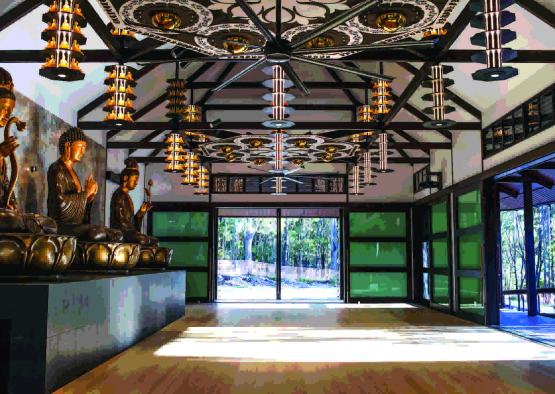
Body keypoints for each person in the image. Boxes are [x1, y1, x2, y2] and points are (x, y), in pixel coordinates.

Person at [47, 127, 123, 242]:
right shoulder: (56, 169)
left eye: (84, 148)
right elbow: (60, 204)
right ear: (68, 146)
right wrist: (86, 193)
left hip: (75, 225)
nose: (82, 152)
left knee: (116, 234)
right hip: (61, 226)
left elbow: (80, 207)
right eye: (80, 147)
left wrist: (89, 198)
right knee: (97, 232)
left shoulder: (73, 172)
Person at [110, 158, 158, 246]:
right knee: (143, 240)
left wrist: (140, 213)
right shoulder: (119, 195)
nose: (136, 182)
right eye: (135, 179)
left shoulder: (126, 196)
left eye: (137, 179)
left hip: (128, 231)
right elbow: (120, 222)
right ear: (125, 178)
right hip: (120, 233)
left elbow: (131, 221)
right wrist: (133, 232)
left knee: (154, 241)